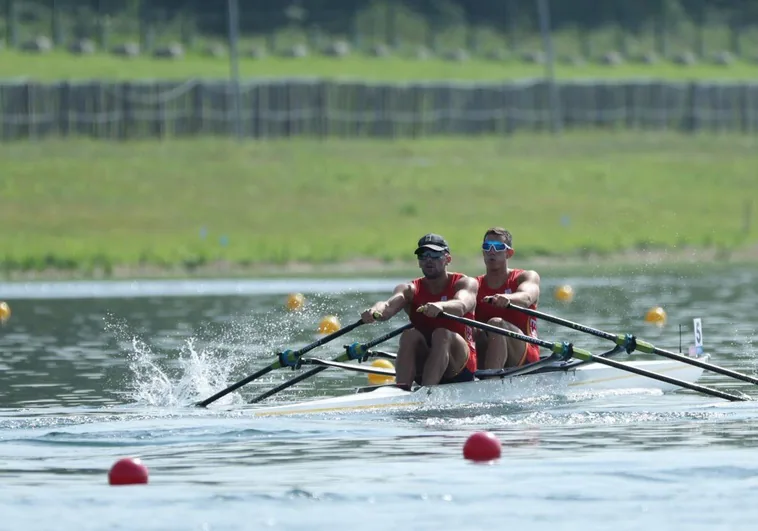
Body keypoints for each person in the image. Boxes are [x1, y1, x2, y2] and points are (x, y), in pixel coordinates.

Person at [361, 233, 478, 389]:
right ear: (419, 262)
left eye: (435, 254)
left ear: (448, 259)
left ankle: (427, 393)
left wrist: (441, 306)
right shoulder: (409, 289)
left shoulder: (464, 283)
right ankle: (401, 390)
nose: (428, 259)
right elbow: (388, 306)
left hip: (460, 366)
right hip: (426, 362)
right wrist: (375, 310)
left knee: (441, 334)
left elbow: (462, 304)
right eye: (423, 255)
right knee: (409, 335)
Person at [474, 227, 541, 370]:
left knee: (496, 323)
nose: (492, 251)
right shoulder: (474, 285)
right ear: (483, 252)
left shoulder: (525, 277)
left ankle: (491, 382)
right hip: (488, 351)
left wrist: (508, 298)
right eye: (487, 247)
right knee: (470, 330)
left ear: (509, 253)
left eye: (498, 247)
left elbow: (527, 297)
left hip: (526, 355)